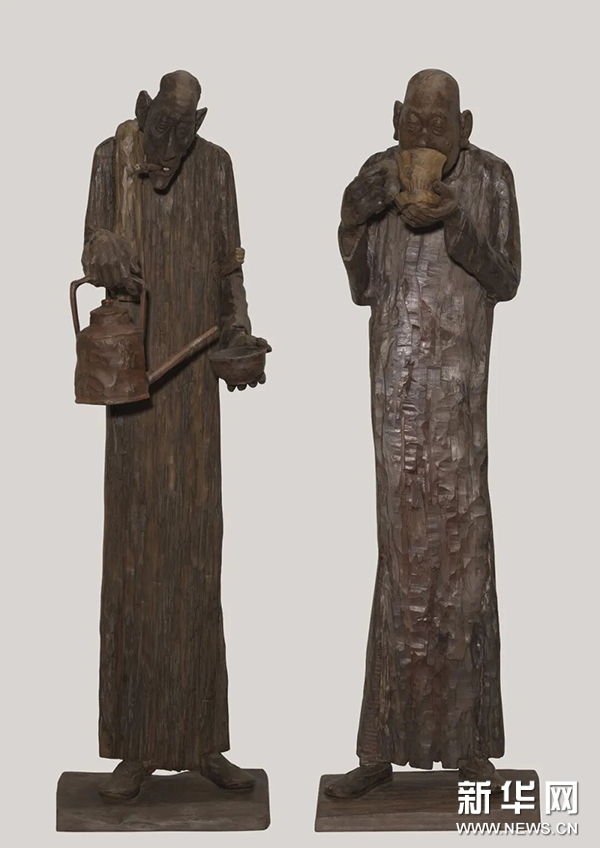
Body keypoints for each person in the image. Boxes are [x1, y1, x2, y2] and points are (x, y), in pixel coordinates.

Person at [328, 69, 521, 799]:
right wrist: (355, 217)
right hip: (396, 393)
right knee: (401, 556)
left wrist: (457, 223)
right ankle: (380, 746)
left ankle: (471, 748)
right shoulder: (380, 175)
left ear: (465, 127)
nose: (423, 135)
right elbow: (361, 286)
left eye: (439, 125)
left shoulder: (492, 179)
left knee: (465, 556)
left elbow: (506, 279)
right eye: (412, 121)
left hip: (460, 394)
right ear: (395, 119)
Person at [82, 70, 268, 799]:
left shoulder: (216, 167)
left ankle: (200, 740)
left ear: (198, 126)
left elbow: (230, 266)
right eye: (164, 124)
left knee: (195, 555)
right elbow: (91, 250)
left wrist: (240, 332)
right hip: (134, 378)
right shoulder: (111, 157)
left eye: (186, 129)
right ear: (145, 110)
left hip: (193, 385)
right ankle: (136, 746)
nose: (173, 140)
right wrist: (105, 252)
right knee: (134, 558)